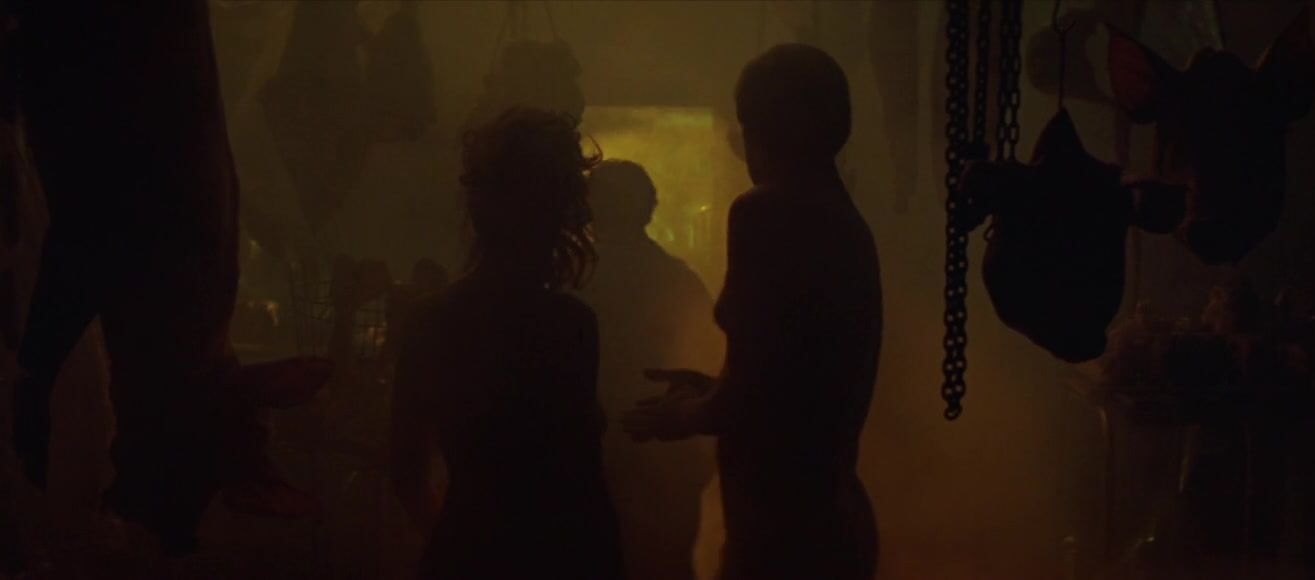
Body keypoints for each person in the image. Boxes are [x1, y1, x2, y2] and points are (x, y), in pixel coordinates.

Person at [623, 44, 883, 580]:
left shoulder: (767, 211)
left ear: (765, 128)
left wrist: (682, 416)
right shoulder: (846, 223)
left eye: (746, 125)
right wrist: (710, 388)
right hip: (832, 525)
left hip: (783, 538)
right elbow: (789, 380)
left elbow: (752, 396)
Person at [390, 108, 623, 579]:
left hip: (465, 554)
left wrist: (457, 545)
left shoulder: (430, 322)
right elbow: (585, 483)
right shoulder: (571, 326)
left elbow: (407, 472)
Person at [578, 160, 719, 580]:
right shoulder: (679, 280)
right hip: (666, 454)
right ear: (649, 207)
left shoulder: (573, 281)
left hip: (596, 455)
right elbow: (710, 364)